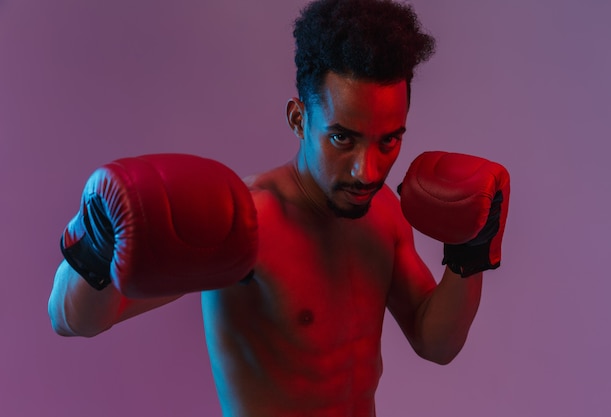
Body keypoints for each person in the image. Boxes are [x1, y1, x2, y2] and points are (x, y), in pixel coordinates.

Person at [48, 0, 510, 416]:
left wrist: (469, 254)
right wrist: (97, 238)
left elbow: (436, 342)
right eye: (342, 138)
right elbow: (74, 320)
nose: (367, 170)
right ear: (298, 118)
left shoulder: (384, 212)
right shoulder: (249, 222)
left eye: (389, 140)